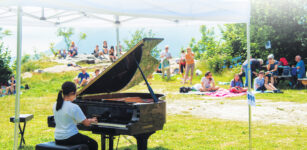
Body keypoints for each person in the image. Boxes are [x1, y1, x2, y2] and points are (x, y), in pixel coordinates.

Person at [53, 81, 98, 150]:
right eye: (76, 93)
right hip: (69, 138)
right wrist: (92, 120)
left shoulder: (55, 104)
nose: (76, 95)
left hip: (58, 138)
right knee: (93, 143)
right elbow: (86, 123)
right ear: (72, 93)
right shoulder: (73, 107)